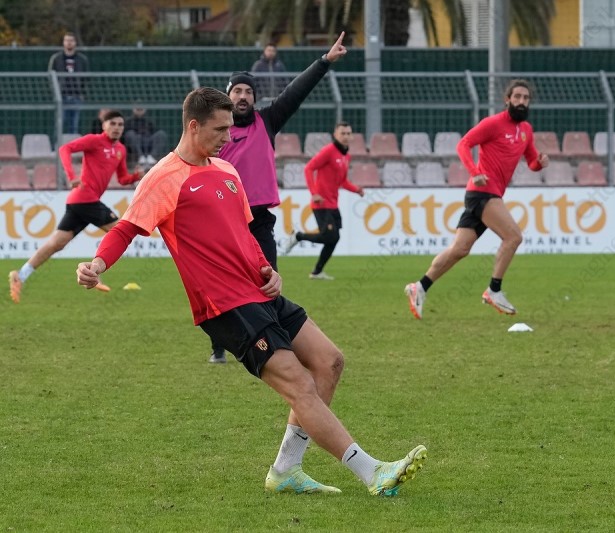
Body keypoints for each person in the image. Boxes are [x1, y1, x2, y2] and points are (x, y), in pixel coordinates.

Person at [75, 87, 427, 496]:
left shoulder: (227, 170)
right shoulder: (164, 177)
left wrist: (266, 269)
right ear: (194, 126)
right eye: (220, 129)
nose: (228, 137)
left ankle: (286, 470)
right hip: (224, 304)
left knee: (329, 362)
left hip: (259, 291)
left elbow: (242, 233)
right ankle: (373, 473)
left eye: (230, 129)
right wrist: (97, 264)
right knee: (299, 384)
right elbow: (125, 229)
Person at [207, 32, 347, 363]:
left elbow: (296, 92)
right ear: (228, 95)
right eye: (237, 91)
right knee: (221, 286)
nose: (243, 96)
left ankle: (275, 341)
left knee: (269, 281)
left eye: (248, 91)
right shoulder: (215, 131)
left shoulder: (266, 121)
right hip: (224, 220)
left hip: (258, 220)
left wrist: (324, 62)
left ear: (255, 97)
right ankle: (218, 346)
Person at [404, 79, 549, 319]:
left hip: (488, 194)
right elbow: (463, 144)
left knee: (459, 249)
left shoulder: (526, 130)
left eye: (526, 98)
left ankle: (419, 287)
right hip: (482, 192)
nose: (521, 101)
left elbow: (532, 161)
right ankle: (494, 290)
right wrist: (474, 172)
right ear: (507, 99)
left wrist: (540, 163)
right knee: (513, 236)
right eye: (517, 97)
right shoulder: (493, 123)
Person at [8, 111, 142, 303]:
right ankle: (93, 273)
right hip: (84, 198)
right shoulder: (94, 141)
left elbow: (122, 179)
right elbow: (65, 149)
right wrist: (71, 175)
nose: (117, 128)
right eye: (112, 123)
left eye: (120, 125)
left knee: (57, 243)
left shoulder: (120, 149)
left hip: (80, 202)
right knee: (120, 231)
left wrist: (136, 176)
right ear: (104, 126)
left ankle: (20, 275)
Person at [284, 122, 364, 280]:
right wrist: (314, 193)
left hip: (333, 203)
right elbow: (308, 168)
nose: (346, 136)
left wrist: (357, 189)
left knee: (334, 238)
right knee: (329, 237)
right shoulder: (328, 151)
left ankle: (317, 272)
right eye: (343, 133)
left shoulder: (346, 156)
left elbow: (343, 181)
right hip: (321, 203)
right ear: (335, 134)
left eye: (348, 133)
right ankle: (298, 236)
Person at [48, 32, 89, 134]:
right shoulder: (56, 58)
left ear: (75, 43)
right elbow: (51, 76)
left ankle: (73, 144)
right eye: (67, 40)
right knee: (59, 124)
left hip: (76, 96)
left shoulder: (82, 59)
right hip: (61, 96)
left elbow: (86, 78)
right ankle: (57, 144)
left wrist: (82, 93)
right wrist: (55, 93)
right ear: (63, 42)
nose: (69, 43)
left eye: (71, 40)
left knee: (74, 125)